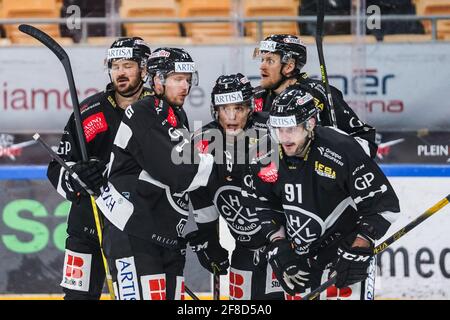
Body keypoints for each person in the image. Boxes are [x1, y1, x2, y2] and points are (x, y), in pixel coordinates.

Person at [243, 86, 400, 300]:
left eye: (291, 129)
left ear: (310, 124)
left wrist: (360, 246)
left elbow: (382, 204)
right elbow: (265, 205)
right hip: (300, 258)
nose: (284, 137)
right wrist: (278, 245)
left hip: (343, 254)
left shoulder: (341, 148)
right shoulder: (265, 155)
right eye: (278, 129)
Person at [96, 47, 214, 300]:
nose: (186, 86)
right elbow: (181, 174)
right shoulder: (144, 112)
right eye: (178, 79)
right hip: (133, 232)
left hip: (164, 233)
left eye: (189, 80)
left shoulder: (174, 114)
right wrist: (216, 159)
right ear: (158, 79)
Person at [46, 37, 152, 300]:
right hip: (87, 227)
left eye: (128, 65)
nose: (121, 72)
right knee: (77, 297)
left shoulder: (159, 111)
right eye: (115, 65)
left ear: (144, 69)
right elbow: (56, 167)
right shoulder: (90, 112)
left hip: (134, 228)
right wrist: (76, 177)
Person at [186, 73, 286, 300]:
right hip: (244, 249)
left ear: (250, 108)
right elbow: (201, 194)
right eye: (224, 109)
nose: (231, 116)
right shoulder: (203, 141)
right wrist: (209, 239)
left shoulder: (274, 130)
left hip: (285, 246)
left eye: (238, 108)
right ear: (215, 110)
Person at [253, 34, 378, 158]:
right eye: (262, 60)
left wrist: (337, 157)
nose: (261, 66)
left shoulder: (319, 93)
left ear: (289, 66)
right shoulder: (257, 97)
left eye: (270, 61)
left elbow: (365, 141)